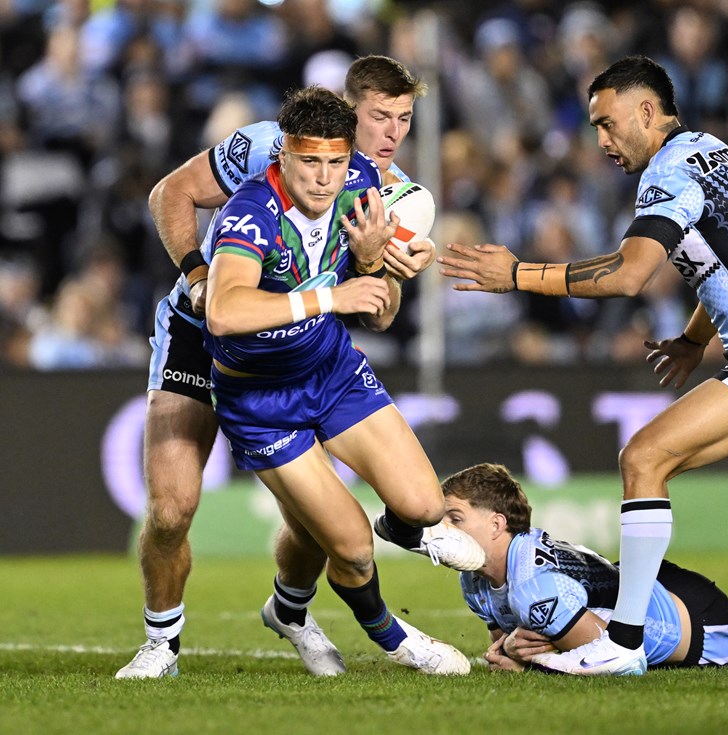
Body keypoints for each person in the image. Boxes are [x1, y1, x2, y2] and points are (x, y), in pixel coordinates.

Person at [116, 59, 484, 679]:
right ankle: (161, 644)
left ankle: (292, 608)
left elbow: (380, 310)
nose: (392, 134)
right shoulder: (262, 156)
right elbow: (171, 196)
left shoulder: (378, 188)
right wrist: (199, 276)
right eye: (379, 117)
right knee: (173, 508)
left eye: (404, 119)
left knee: (339, 519)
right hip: (206, 339)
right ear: (344, 113)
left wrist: (379, 265)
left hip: (310, 356)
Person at [437, 54, 728, 676]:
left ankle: (623, 642)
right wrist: (692, 338)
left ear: (647, 111)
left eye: (607, 123)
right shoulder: (712, 155)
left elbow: (628, 275)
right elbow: (718, 263)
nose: (600, 140)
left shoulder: (669, 171)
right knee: (654, 460)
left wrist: (519, 274)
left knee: (644, 458)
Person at [204, 84, 473, 676]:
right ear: (283, 156)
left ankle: (302, 599)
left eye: (335, 161)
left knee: (426, 505)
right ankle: (396, 639)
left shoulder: (362, 184)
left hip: (331, 370)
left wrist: (383, 262)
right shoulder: (251, 214)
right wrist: (333, 296)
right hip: (261, 399)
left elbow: (381, 308)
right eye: (309, 162)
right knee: (351, 547)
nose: (324, 179)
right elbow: (222, 311)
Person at [442, 463, 728, 673]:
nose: (443, 529)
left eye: (455, 519)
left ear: (496, 524)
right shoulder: (474, 580)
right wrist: (510, 650)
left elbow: (615, 660)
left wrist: (528, 666)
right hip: (638, 587)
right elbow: (507, 645)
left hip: (696, 621)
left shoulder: (534, 589)